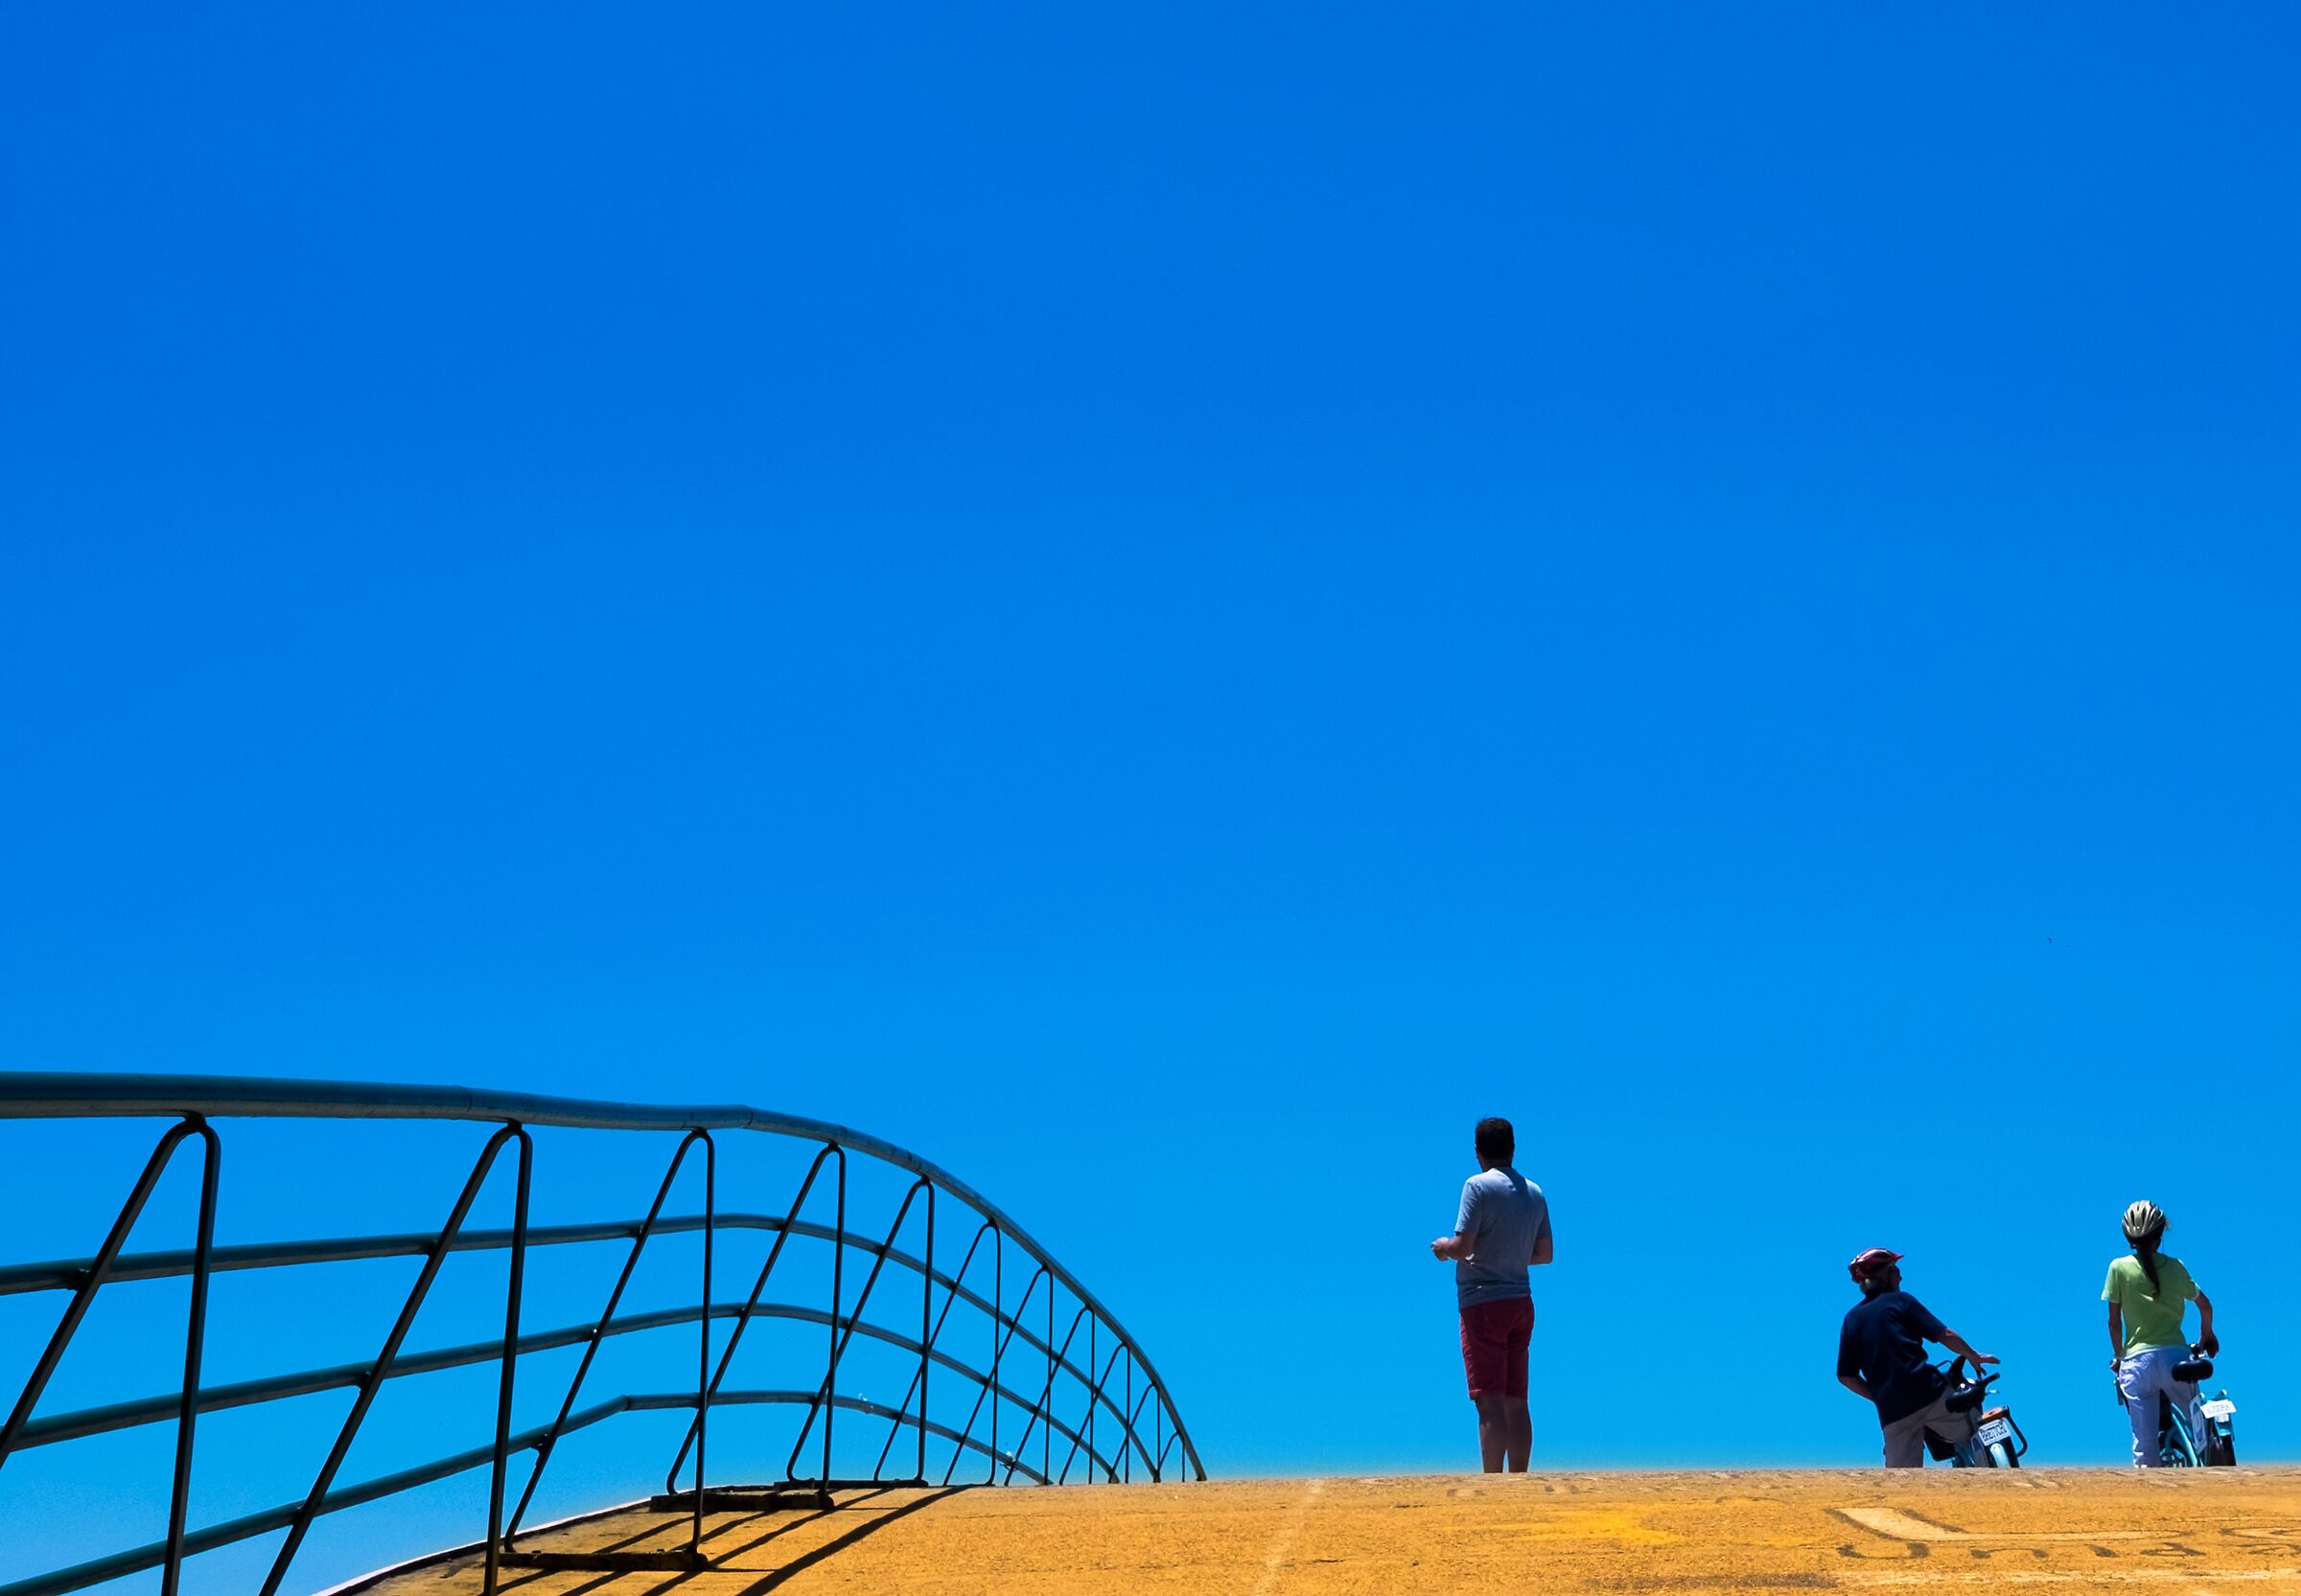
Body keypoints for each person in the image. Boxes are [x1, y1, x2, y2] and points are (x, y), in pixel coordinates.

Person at [1429, 1116, 1552, 1471]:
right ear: (1513, 1148)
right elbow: (1544, 1254)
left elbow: (1463, 1245)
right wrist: (1509, 1252)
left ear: (1477, 1151)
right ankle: (1520, 1478)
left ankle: (1494, 1483)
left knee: (1489, 1401)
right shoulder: (1534, 1192)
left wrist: (1444, 1248)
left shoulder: (1477, 1186)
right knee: (1517, 1400)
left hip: (1483, 1303)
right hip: (1520, 1301)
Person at [1836, 1248, 2000, 1468]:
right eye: (1896, 1271)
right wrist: (1973, 1355)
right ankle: (1989, 1471)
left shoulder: (1851, 1321)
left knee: (1902, 1478)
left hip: (1894, 1414)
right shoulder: (1900, 1301)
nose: (1900, 1277)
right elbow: (1945, 1335)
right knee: (1974, 1428)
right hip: (1929, 1394)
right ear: (1884, 1275)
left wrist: (1878, 1396)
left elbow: (1846, 1376)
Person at [2105, 1199, 2219, 1467]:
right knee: (2201, 1428)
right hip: (2175, 1360)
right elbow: (2205, 1305)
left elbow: (2113, 1324)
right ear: (2160, 1235)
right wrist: (2206, 1335)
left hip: (2137, 1365)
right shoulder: (2176, 1267)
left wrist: (2119, 1358)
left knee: (2144, 1451)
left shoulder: (2117, 1268)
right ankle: (2214, 1458)